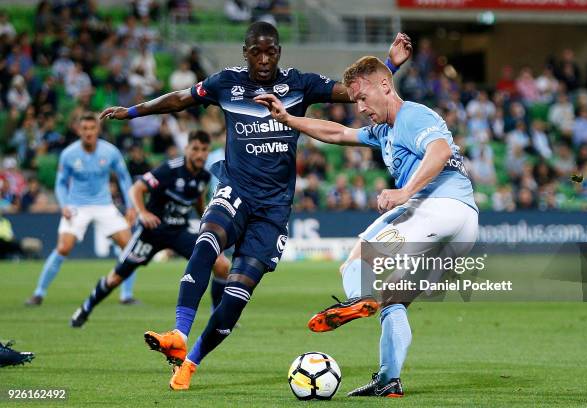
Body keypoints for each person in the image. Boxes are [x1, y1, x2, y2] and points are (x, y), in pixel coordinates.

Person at [100, 21, 412, 390]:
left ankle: (190, 363)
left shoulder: (300, 83)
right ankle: (178, 334)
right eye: (257, 52)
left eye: (271, 52)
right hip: (235, 189)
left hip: (274, 209)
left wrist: (389, 67)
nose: (264, 59)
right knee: (207, 243)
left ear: (279, 52)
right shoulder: (224, 83)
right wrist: (132, 112)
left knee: (235, 297)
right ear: (245, 52)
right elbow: (181, 98)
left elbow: (352, 93)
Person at [254, 55, 478, 397]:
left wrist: (405, 191)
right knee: (394, 300)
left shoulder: (412, 115)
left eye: (362, 97)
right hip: (463, 227)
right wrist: (288, 119)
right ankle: (389, 379)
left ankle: (358, 297)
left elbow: (439, 149)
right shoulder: (384, 131)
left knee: (357, 257)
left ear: (385, 86)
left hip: (438, 207)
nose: (359, 106)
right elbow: (338, 132)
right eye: (355, 99)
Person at [70, 131, 231, 328]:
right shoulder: (169, 169)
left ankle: (217, 316)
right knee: (116, 278)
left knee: (222, 264)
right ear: (186, 149)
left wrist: (208, 222)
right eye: (195, 149)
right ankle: (85, 308)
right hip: (151, 232)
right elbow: (136, 189)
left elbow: (198, 200)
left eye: (204, 150)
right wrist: (142, 212)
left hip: (178, 232)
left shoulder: (204, 176)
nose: (199, 154)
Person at [25, 113, 137, 306]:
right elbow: (60, 184)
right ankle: (38, 293)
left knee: (129, 247)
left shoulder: (110, 152)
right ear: (79, 130)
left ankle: (126, 296)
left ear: (98, 130)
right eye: (84, 129)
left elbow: (124, 178)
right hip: (77, 206)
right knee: (63, 247)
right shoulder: (69, 154)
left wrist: (130, 206)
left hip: (104, 205)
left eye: (92, 129)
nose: (88, 133)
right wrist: (64, 205)